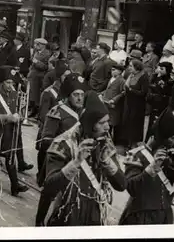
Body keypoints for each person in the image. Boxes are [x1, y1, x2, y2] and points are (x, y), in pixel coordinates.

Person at [36, 91, 126, 226]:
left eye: (107, 121)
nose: (107, 127)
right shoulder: (63, 144)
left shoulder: (105, 143)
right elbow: (49, 187)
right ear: (89, 123)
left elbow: (121, 185)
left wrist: (107, 162)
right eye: (102, 122)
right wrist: (76, 162)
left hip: (95, 216)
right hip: (68, 215)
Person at [119, 109, 174, 225]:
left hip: (164, 217)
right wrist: (152, 168)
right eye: (173, 138)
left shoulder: (171, 156)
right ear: (162, 136)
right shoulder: (137, 155)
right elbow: (131, 188)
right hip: (141, 217)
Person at [0, 66, 30, 196]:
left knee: (10, 158)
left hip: (10, 133)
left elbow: (18, 111)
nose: (10, 85)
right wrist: (7, 118)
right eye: (8, 82)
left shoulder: (15, 95)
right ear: (2, 82)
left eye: (12, 83)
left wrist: (19, 117)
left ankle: (15, 186)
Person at [36, 72, 87, 187]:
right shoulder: (57, 112)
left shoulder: (84, 113)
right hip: (58, 164)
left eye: (82, 95)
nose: (79, 98)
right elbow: (46, 141)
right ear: (68, 95)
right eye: (76, 95)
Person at [120, 59, 150, 148]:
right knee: (127, 122)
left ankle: (133, 143)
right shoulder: (131, 75)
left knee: (134, 124)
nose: (129, 68)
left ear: (137, 67)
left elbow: (143, 92)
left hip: (137, 105)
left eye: (130, 66)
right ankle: (126, 141)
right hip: (129, 102)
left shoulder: (143, 77)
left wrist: (130, 90)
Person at [146, 62, 174, 137]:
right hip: (154, 104)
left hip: (162, 106)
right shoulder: (156, 77)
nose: (159, 70)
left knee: (159, 125)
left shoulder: (170, 81)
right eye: (159, 68)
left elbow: (167, 94)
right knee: (151, 124)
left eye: (162, 69)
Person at [100, 63, 126, 142]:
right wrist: (101, 94)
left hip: (114, 105)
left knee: (114, 122)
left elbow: (123, 92)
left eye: (114, 70)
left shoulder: (122, 81)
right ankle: (107, 139)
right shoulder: (111, 79)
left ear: (120, 71)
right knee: (108, 121)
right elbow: (108, 89)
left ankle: (115, 141)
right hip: (106, 103)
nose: (112, 71)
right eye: (111, 70)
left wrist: (114, 100)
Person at [27, 38, 51, 117]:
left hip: (39, 78)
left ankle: (36, 111)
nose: (35, 46)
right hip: (32, 76)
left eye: (37, 44)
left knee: (36, 95)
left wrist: (36, 62)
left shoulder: (47, 54)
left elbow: (46, 67)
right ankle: (32, 109)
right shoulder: (36, 52)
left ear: (42, 45)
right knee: (31, 94)